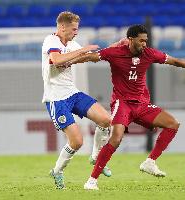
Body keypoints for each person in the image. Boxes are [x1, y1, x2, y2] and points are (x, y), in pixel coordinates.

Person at [68, 24, 185, 190]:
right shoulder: (115, 53)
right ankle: (91, 181)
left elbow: (176, 61)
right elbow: (90, 57)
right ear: (131, 40)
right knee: (115, 139)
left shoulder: (149, 53)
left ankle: (150, 162)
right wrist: (67, 61)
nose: (145, 44)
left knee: (173, 124)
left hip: (141, 105)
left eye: (146, 41)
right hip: (122, 103)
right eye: (141, 41)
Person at [42, 11, 117, 189]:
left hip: (72, 93)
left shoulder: (72, 44)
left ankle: (96, 156)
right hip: (56, 99)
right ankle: (58, 171)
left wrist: (115, 48)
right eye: (74, 29)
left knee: (106, 120)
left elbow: (88, 56)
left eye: (77, 29)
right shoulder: (51, 41)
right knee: (77, 141)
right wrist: (82, 50)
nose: (76, 32)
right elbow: (57, 60)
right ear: (62, 27)